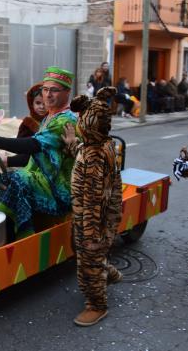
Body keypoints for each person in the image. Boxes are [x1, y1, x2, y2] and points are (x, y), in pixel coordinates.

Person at [0, 67, 77, 239]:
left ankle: (19, 236)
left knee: (18, 180)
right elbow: (30, 156)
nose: (48, 95)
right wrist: (7, 161)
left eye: (54, 90)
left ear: (67, 92)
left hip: (57, 187)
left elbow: (32, 145)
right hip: (38, 178)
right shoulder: (49, 117)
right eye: (45, 90)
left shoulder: (65, 120)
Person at [62, 87, 122, 327]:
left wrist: (90, 233)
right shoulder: (97, 145)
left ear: (90, 125)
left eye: (81, 121)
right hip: (98, 218)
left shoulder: (95, 155)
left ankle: (96, 305)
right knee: (94, 254)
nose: (77, 123)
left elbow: (94, 199)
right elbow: (81, 151)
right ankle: (110, 272)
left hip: (92, 219)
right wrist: (71, 143)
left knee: (88, 261)